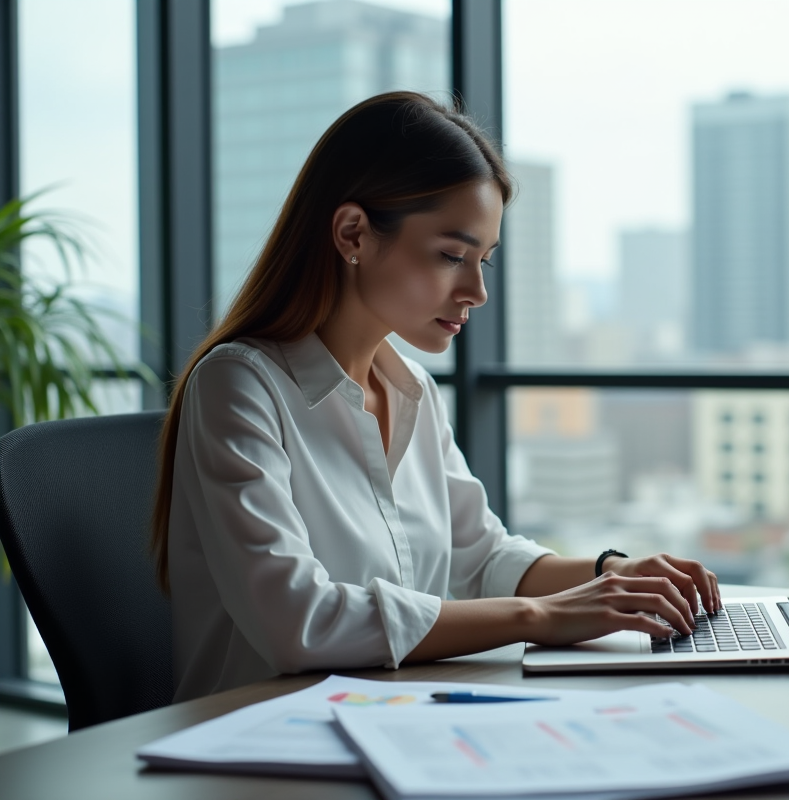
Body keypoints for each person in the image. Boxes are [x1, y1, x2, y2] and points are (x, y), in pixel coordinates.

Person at [151, 92, 722, 702]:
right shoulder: (239, 386)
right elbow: (300, 622)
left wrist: (613, 573)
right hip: (257, 737)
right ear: (353, 233)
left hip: (391, 715)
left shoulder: (414, 392)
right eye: (452, 256)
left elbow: (482, 558)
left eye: (484, 262)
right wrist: (542, 617)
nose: (476, 290)